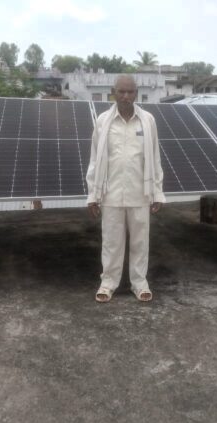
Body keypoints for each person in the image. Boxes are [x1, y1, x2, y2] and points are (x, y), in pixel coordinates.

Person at [86, 75, 165, 303]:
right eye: (121, 91)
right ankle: (108, 283)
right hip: (110, 193)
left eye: (130, 92)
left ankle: (139, 283)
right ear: (113, 92)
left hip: (140, 192)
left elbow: (155, 157)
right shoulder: (103, 121)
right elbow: (95, 159)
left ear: (136, 93)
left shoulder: (148, 120)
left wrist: (157, 192)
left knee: (140, 242)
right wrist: (93, 195)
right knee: (111, 242)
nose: (126, 96)